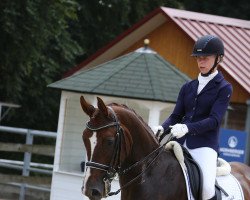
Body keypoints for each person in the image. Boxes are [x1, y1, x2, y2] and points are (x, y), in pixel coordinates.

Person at [156, 35, 233, 200]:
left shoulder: (224, 88)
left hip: (204, 146)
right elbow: (176, 115)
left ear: (218, 59)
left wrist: (187, 128)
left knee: (206, 188)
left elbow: (214, 120)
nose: (201, 62)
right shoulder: (187, 87)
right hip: (179, 144)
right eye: (198, 58)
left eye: (206, 58)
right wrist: (162, 127)